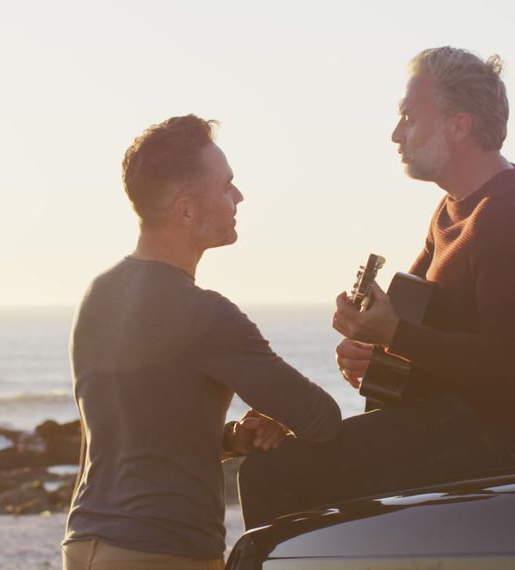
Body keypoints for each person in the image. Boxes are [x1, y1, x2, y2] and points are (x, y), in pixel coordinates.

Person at [238, 46, 515, 528]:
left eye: (408, 118)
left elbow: (510, 370)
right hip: (462, 420)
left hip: (506, 440)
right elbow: (416, 332)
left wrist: (393, 337)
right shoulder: (452, 209)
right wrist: (375, 351)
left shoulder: (512, 217)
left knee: (273, 475)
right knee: (287, 464)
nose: (395, 134)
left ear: (459, 126)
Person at [64, 115, 342, 569]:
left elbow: (143, 434)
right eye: (227, 186)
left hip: (85, 546)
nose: (239, 196)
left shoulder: (99, 294)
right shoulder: (205, 314)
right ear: (187, 210)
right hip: (164, 551)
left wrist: (236, 438)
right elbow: (321, 419)